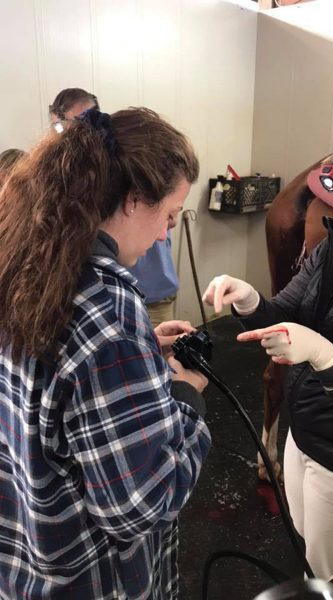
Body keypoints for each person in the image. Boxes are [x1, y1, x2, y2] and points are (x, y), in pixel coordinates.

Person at [0, 106, 211, 599]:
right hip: (91, 580)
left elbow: (49, 383)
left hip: (24, 560)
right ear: (135, 199)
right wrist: (185, 394)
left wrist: (137, 360)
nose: (164, 234)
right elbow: (141, 504)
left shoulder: (23, 265)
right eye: (169, 216)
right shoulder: (108, 310)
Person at [202, 110, 333, 579]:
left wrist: (325, 355)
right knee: (308, 557)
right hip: (305, 438)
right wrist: (250, 302)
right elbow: (285, 313)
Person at [49, 88, 180, 327]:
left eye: (74, 125)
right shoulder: (72, 177)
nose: (65, 137)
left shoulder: (120, 162)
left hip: (149, 288)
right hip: (108, 290)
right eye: (57, 128)